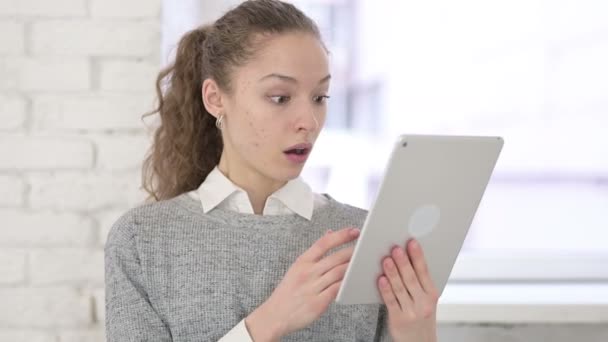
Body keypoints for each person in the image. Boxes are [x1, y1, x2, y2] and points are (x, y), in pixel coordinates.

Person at [104, 0, 439, 341]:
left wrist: (417, 333)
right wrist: (270, 321)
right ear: (215, 99)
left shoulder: (367, 238)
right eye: (280, 97)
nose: (308, 122)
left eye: (320, 97)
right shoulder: (142, 242)